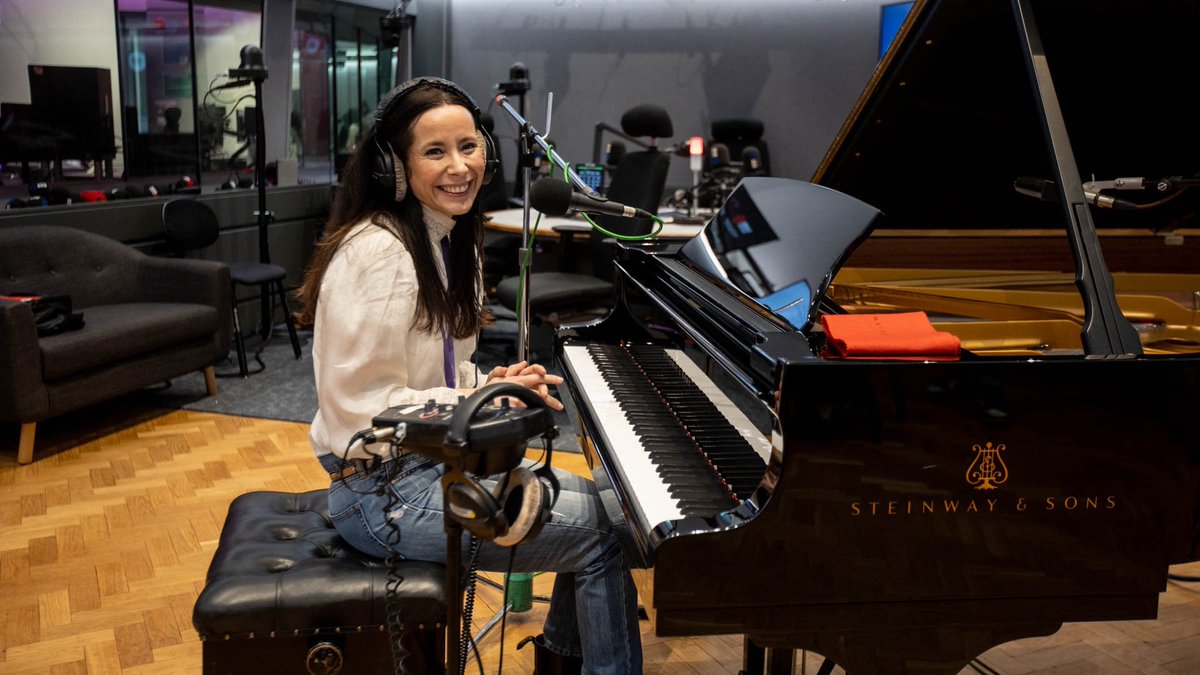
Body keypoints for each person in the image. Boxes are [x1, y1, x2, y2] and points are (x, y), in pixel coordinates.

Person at [294, 77, 643, 675]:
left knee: (621, 515)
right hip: (385, 495)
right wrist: (473, 397)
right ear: (393, 167)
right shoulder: (379, 254)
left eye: (469, 146)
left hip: (432, 466)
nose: (459, 167)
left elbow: (434, 369)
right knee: (601, 539)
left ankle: (561, 663)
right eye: (435, 152)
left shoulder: (446, 239)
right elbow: (361, 410)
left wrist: (485, 383)